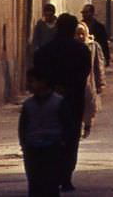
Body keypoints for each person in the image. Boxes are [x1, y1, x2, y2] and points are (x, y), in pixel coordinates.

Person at [34, 13, 91, 193]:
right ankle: (66, 178)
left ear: (57, 27)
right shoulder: (82, 51)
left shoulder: (44, 51)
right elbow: (83, 75)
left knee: (48, 137)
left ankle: (49, 176)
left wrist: (54, 88)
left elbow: (38, 75)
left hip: (48, 99)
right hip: (73, 100)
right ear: (74, 29)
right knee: (71, 139)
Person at [18, 67, 73, 197]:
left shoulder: (59, 102)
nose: (29, 85)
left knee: (51, 184)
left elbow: (67, 125)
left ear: (43, 82)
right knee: (34, 183)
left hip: (52, 148)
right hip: (33, 149)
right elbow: (23, 127)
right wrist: (24, 145)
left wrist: (64, 144)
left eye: (32, 81)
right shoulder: (28, 105)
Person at [75, 21, 106, 138]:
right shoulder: (72, 47)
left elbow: (99, 65)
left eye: (82, 34)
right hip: (76, 84)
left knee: (90, 107)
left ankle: (87, 126)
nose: (80, 36)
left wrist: (100, 83)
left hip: (90, 83)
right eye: (77, 34)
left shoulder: (93, 46)